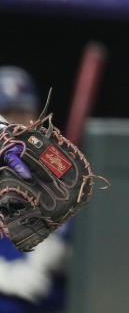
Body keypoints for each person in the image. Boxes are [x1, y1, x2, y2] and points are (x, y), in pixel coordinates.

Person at [0, 66, 70, 313]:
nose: (16, 122)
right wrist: (5, 276)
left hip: (50, 300)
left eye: (23, 112)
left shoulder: (60, 169)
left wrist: (62, 251)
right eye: (6, 113)